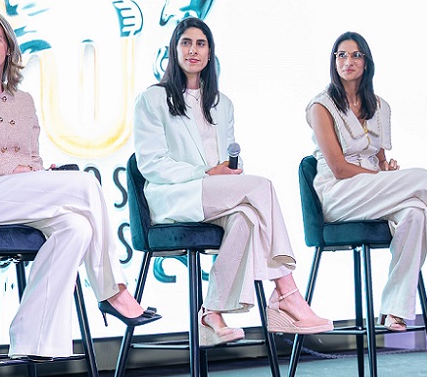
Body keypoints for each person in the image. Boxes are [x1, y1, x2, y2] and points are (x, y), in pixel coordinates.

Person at [0, 10, 160, 361]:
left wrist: (40, 171)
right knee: (85, 185)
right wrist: (17, 168)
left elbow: (31, 160)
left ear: (8, 47)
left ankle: (31, 339)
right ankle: (113, 292)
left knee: (77, 228)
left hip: (15, 196)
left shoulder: (23, 101)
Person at [133, 17, 333, 346]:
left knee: (248, 215)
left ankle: (211, 311)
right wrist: (205, 172)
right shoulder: (152, 99)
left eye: (200, 44)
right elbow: (151, 164)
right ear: (174, 50)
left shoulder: (222, 104)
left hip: (214, 195)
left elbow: (226, 160)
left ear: (210, 53)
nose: (193, 50)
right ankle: (287, 294)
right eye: (186, 43)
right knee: (261, 187)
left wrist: (227, 172)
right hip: (173, 195)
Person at [306, 31, 427, 332]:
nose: (348, 61)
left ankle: (394, 310)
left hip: (372, 192)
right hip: (339, 195)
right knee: (423, 178)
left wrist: (388, 169)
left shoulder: (379, 106)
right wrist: (386, 178)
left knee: (416, 213)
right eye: (341, 55)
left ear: (366, 62)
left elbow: (380, 158)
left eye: (356, 55)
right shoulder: (321, 106)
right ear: (334, 62)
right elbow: (339, 168)